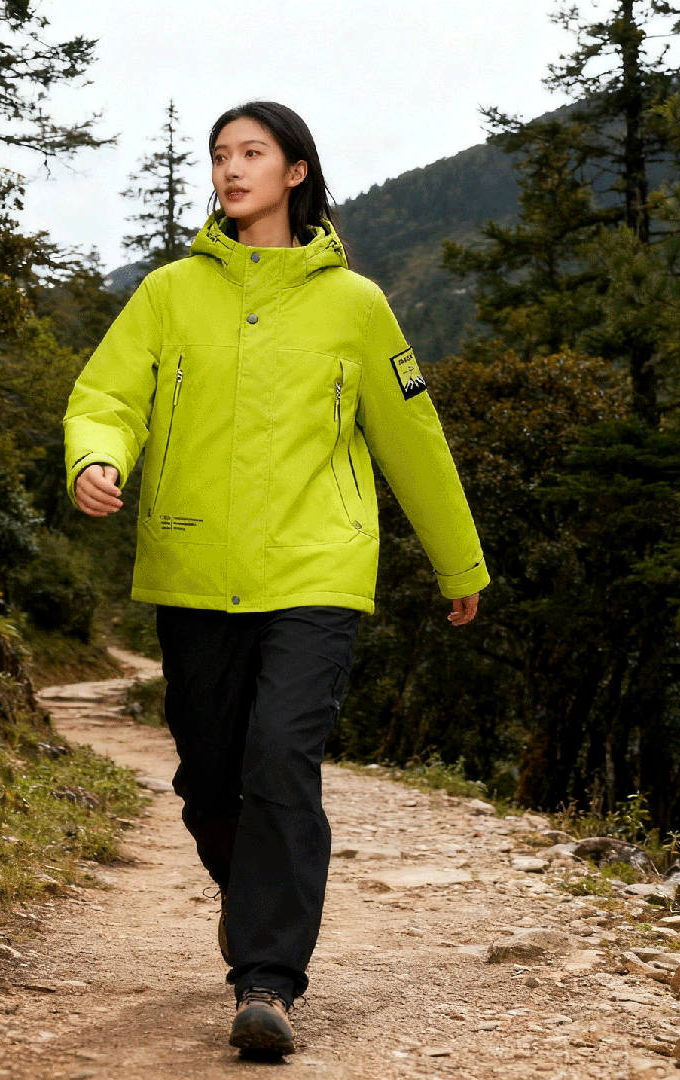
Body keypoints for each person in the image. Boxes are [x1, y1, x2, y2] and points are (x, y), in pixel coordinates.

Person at [63, 100, 488, 1058]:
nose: (231, 168)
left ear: (296, 172)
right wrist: (98, 457)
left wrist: (457, 561)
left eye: (252, 152)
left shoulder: (357, 305)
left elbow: (413, 439)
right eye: (220, 154)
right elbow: (107, 395)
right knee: (209, 778)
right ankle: (255, 894)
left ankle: (267, 982)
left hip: (316, 570)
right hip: (193, 566)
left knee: (281, 760)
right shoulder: (170, 292)